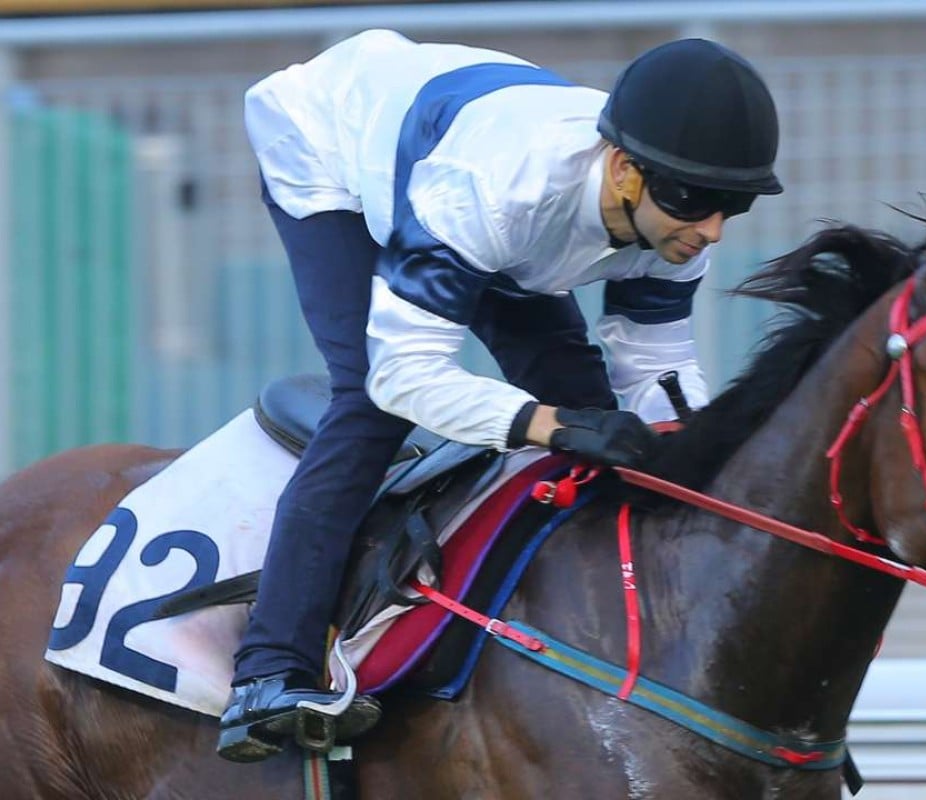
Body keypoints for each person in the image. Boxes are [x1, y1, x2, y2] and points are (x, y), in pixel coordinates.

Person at [218, 29, 783, 762]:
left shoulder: (670, 214)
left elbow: (656, 371)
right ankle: (269, 672)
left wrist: (699, 461)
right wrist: (547, 426)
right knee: (370, 402)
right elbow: (405, 375)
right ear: (623, 172)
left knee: (594, 408)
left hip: (494, 205)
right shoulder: (497, 191)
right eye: (695, 204)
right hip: (333, 152)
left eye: (730, 208)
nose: (708, 231)